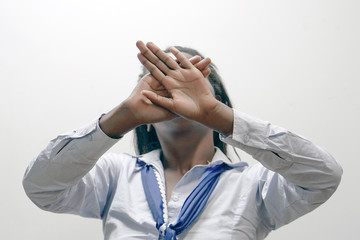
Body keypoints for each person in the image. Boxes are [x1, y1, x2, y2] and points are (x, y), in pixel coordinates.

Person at [23, 41, 342, 240]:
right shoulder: (115, 177)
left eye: (190, 81)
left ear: (215, 97)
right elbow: (41, 187)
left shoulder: (253, 185)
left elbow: (324, 176)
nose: (176, 94)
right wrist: (123, 115)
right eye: (162, 83)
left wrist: (218, 116)